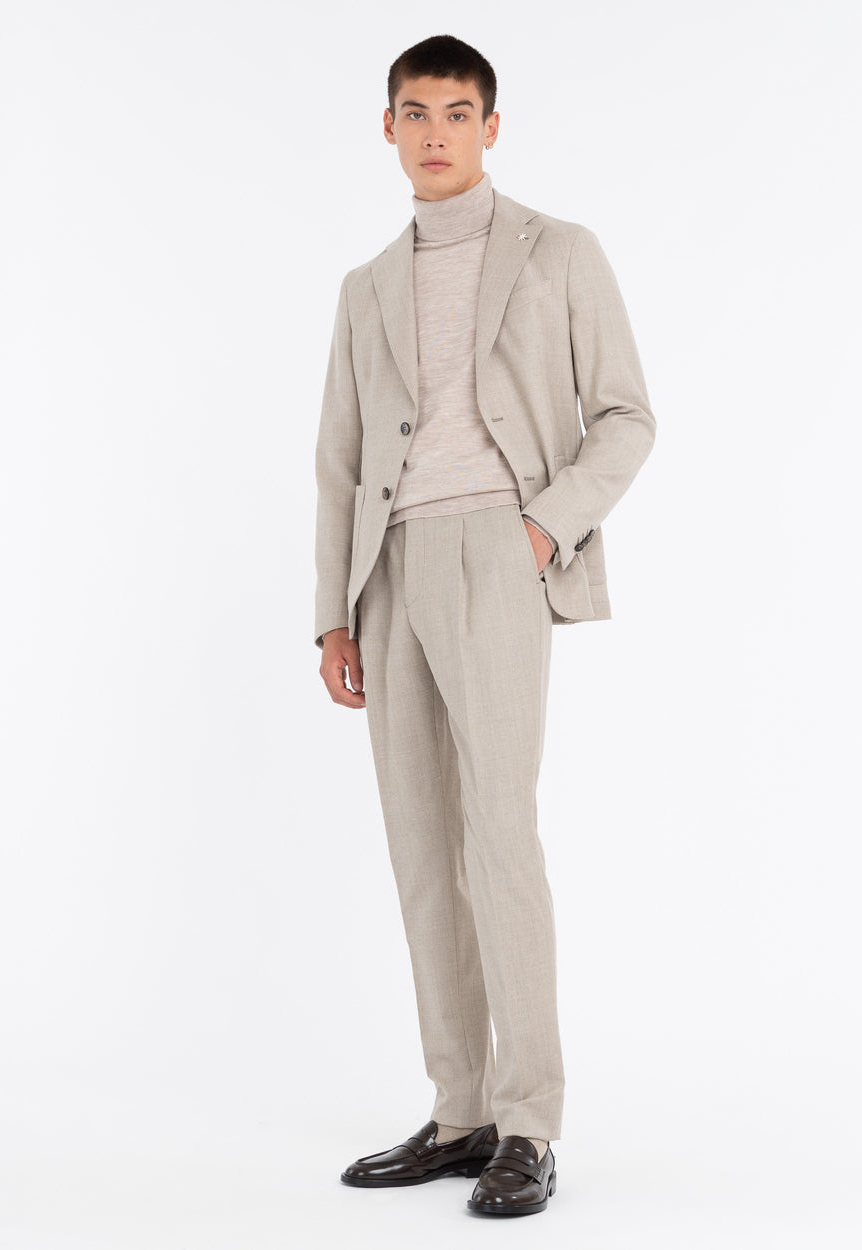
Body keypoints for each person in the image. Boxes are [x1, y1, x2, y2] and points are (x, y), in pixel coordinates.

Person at [314, 33, 655, 1217]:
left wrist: (540, 530)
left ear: (490, 127)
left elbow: (626, 415)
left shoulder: (559, 251)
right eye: (415, 112)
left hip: (500, 556)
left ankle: (529, 1121)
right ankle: (458, 1110)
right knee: (420, 846)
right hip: (389, 573)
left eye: (456, 113)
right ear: (389, 127)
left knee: (499, 838)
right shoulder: (364, 286)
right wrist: (332, 614)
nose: (435, 132)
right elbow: (338, 462)